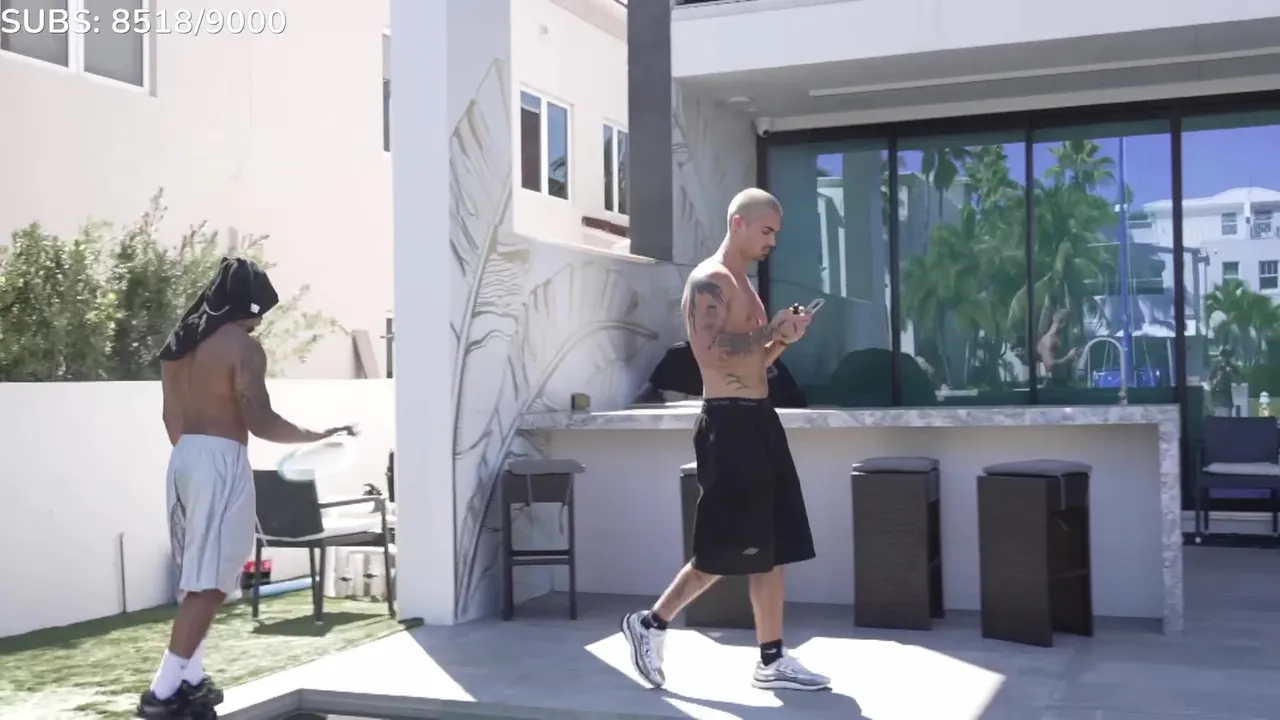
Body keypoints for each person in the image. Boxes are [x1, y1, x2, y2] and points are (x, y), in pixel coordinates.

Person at [620, 188, 830, 691]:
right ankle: (650, 623)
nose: (772, 241)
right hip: (728, 425)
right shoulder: (709, 281)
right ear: (738, 224)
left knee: (772, 546)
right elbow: (710, 353)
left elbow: (755, 364)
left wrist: (782, 338)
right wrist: (768, 330)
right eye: (766, 231)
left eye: (776, 233)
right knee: (725, 547)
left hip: (759, 420)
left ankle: (772, 660)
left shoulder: (745, 288)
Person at [138, 257, 355, 719]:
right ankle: (162, 692)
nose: (261, 322)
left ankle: (191, 679)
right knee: (210, 583)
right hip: (219, 460)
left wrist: (197, 454)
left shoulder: (179, 348)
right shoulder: (242, 348)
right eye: (261, 312)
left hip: (184, 458)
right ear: (250, 306)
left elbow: (170, 419)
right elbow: (261, 421)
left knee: (199, 576)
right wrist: (316, 436)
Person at [1037, 308, 1078, 388]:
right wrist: (1068, 357)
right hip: (1054, 385)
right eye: (1068, 324)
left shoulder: (1056, 339)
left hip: (1061, 383)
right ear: (1062, 322)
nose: (1069, 328)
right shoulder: (1049, 340)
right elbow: (1050, 365)